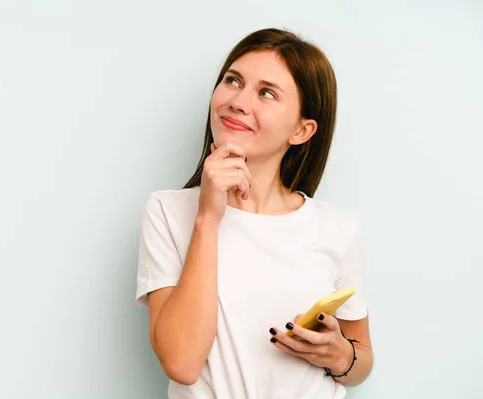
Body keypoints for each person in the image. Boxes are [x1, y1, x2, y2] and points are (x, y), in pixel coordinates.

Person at [135, 27, 374, 398]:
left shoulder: (338, 228)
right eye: (232, 81)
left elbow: (361, 361)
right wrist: (208, 219)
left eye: (266, 93)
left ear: (302, 130)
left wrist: (341, 357)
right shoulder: (167, 211)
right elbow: (181, 364)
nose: (238, 101)